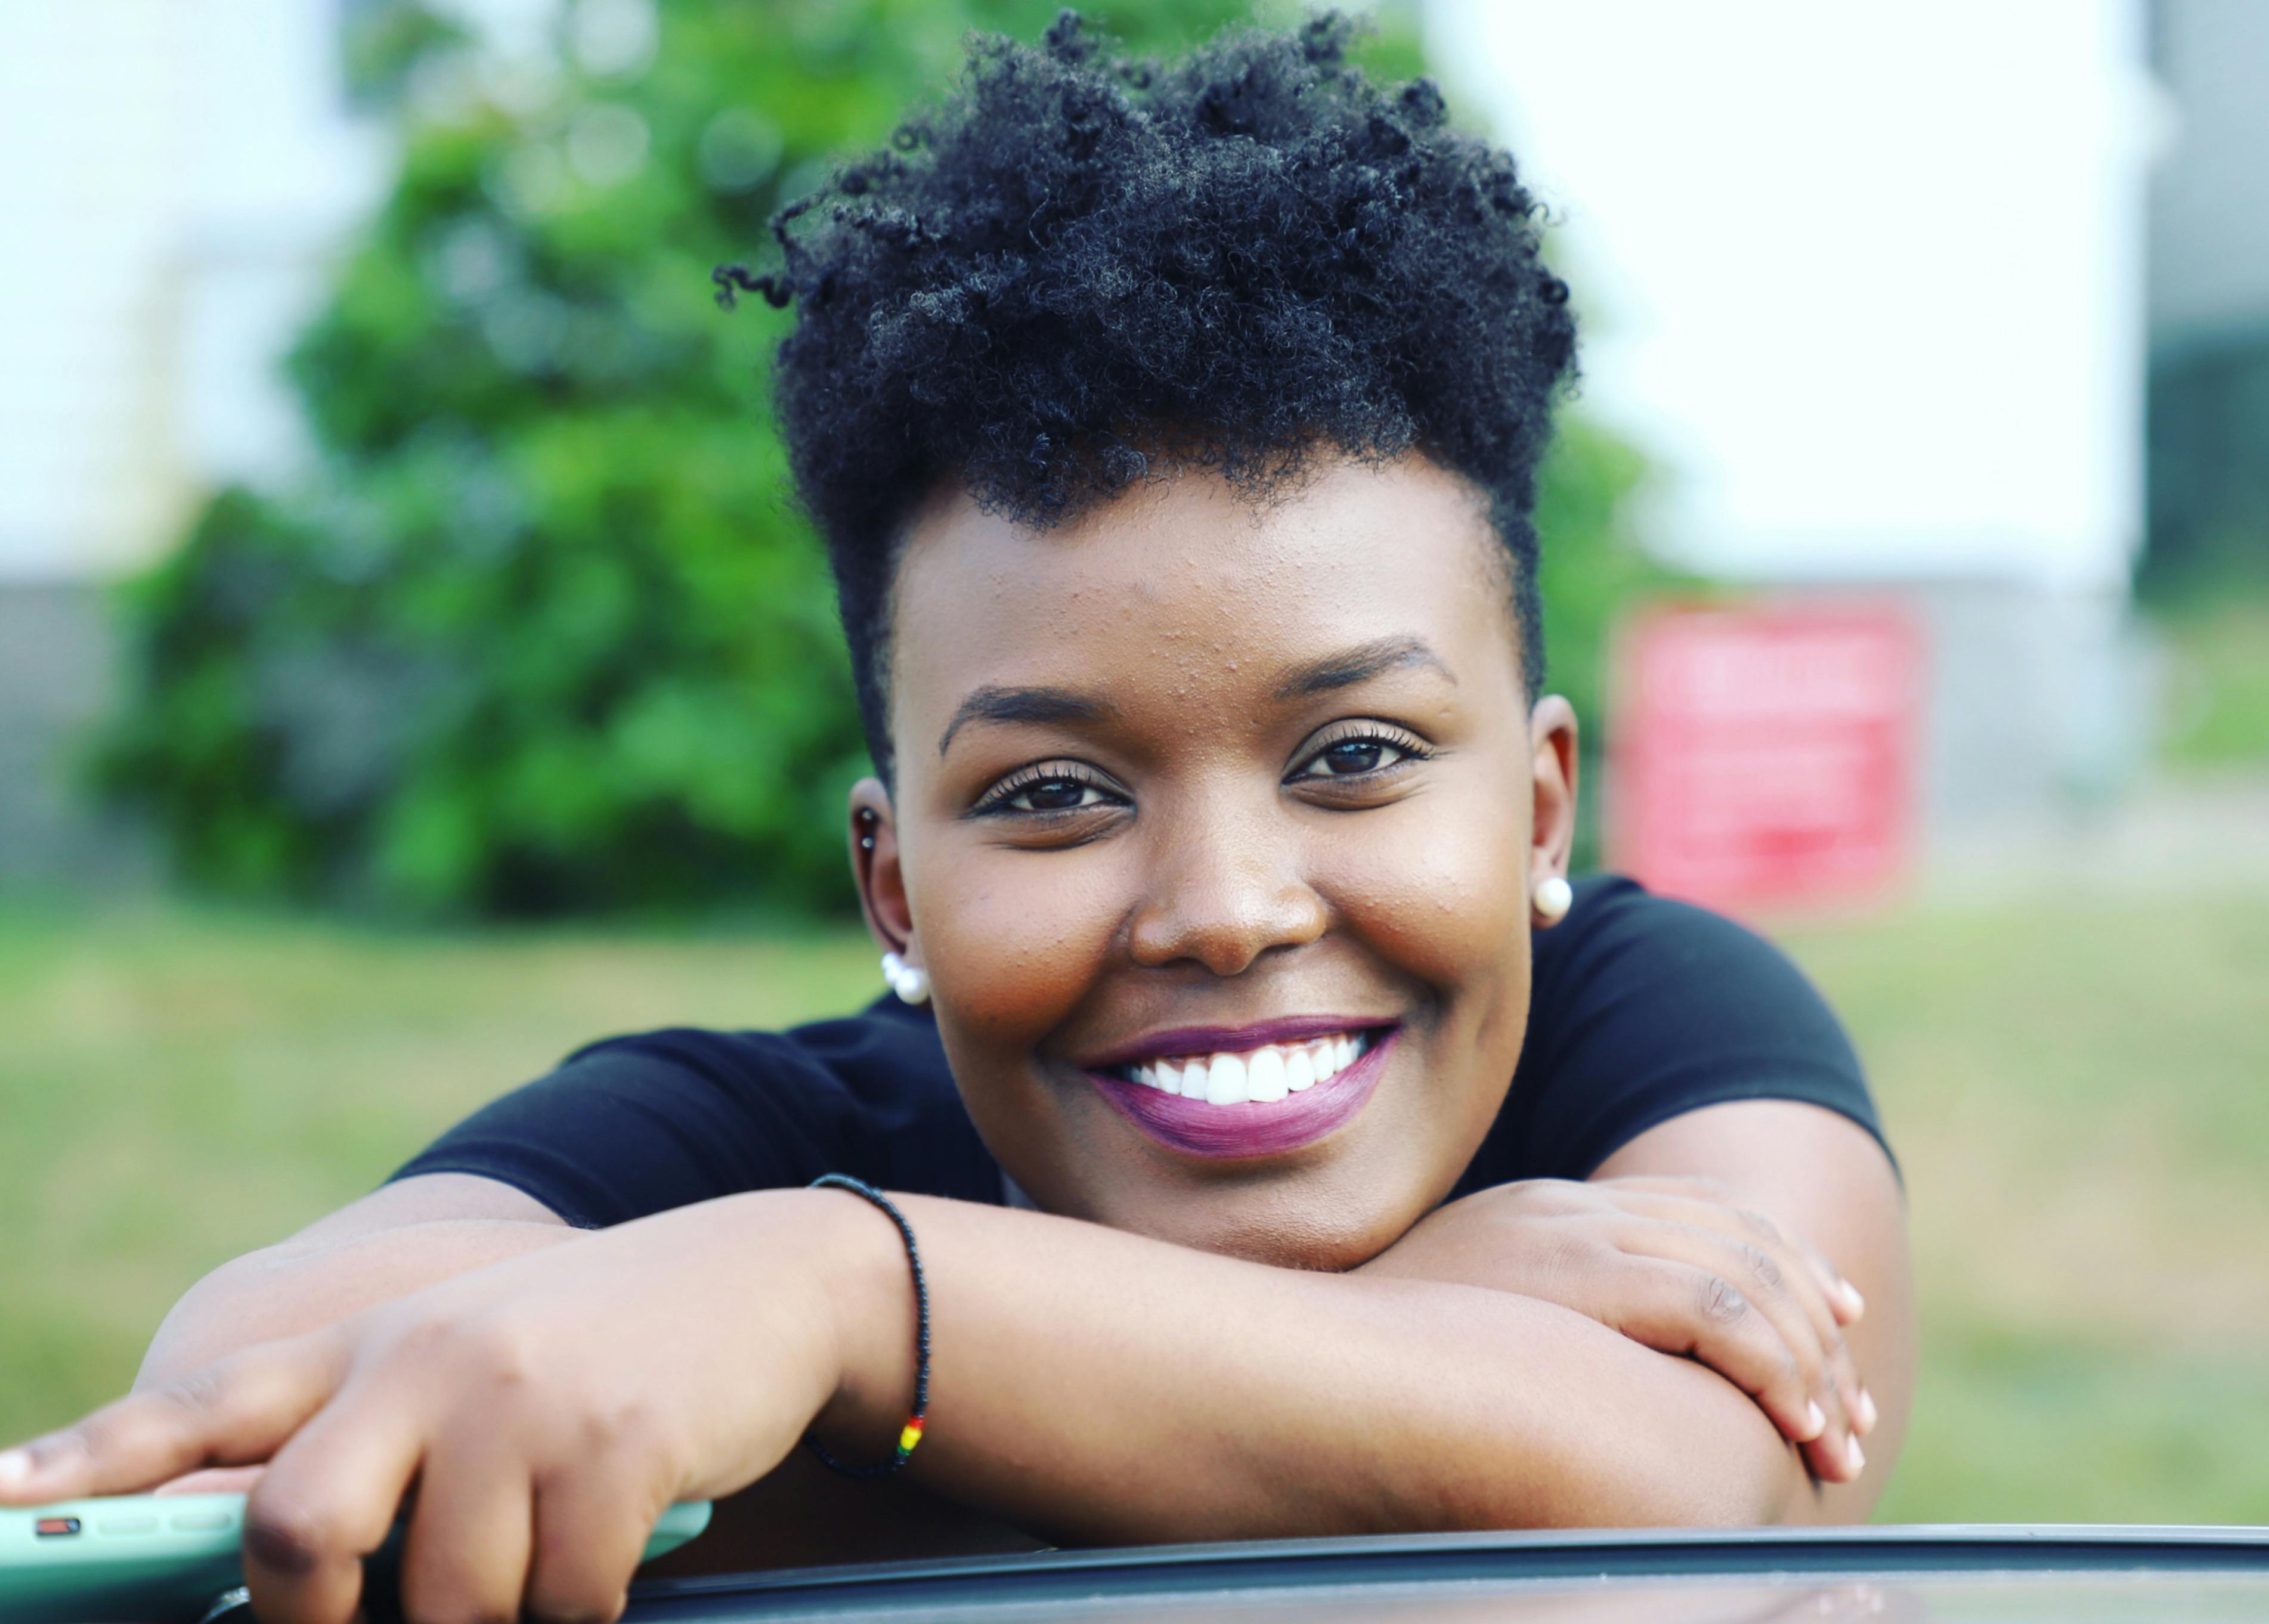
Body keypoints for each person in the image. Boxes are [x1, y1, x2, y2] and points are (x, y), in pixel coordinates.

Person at [0, 15, 1912, 1624]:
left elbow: (1678, 1502)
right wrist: (1417, 1351)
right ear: (896, 881)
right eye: (1055, 791)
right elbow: (256, 1400)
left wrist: (833, 1310)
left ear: (1540, 803)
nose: (1227, 909)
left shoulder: (1661, 1029)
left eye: (1353, 755)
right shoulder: (762, 1133)